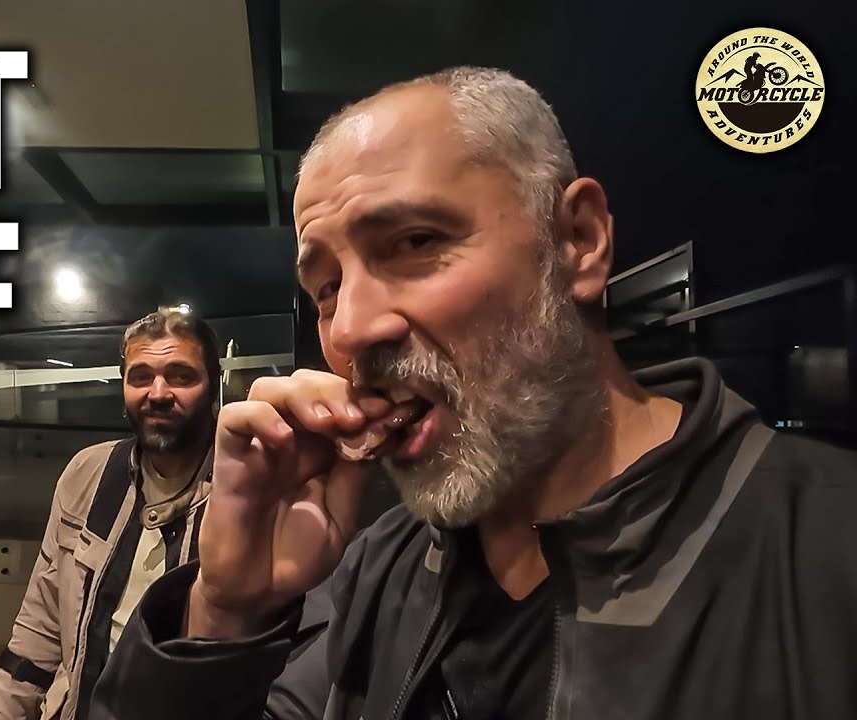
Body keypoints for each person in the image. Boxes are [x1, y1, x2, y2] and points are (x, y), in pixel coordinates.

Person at [89, 67, 857, 720]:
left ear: (578, 241)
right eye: (325, 289)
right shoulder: (373, 573)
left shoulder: (827, 549)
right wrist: (225, 613)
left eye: (415, 242)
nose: (349, 330)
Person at [0, 307, 223, 720]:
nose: (158, 393)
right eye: (140, 377)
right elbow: (38, 634)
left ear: (213, 385)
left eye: (181, 376)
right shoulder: (90, 474)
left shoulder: (246, 488)